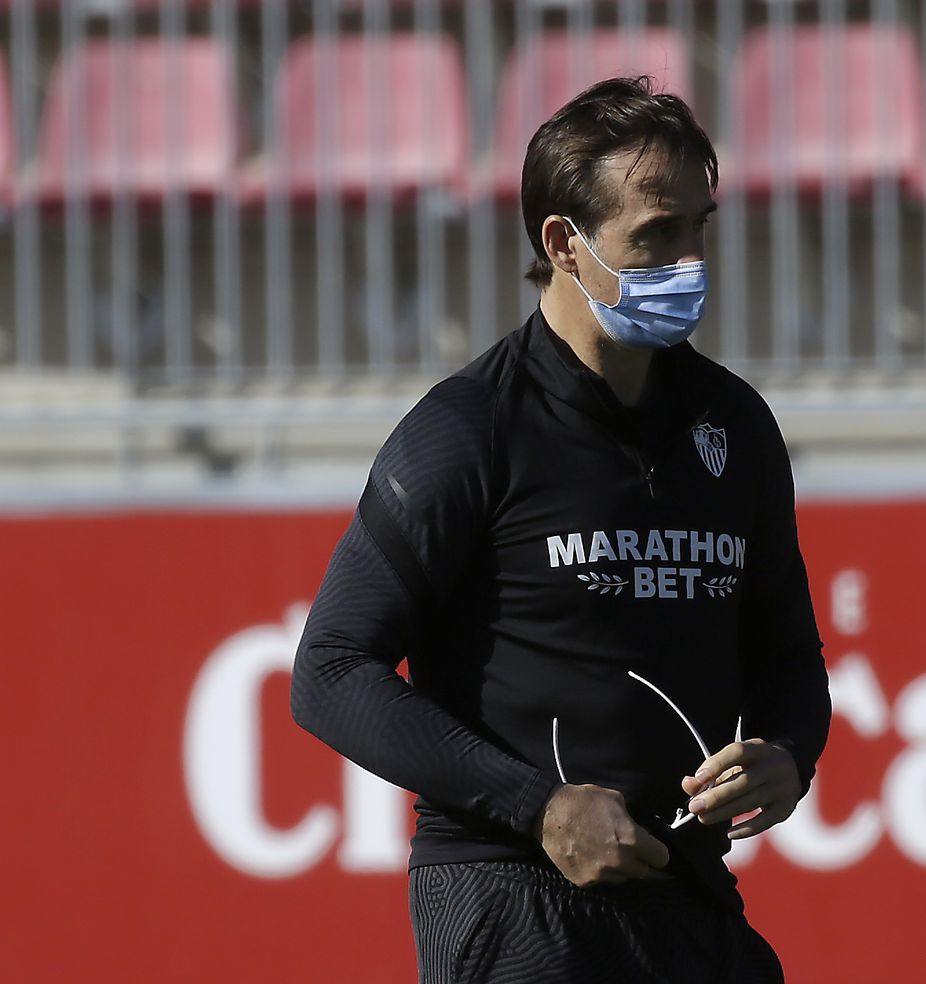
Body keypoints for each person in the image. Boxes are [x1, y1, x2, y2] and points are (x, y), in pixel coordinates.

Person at [290, 76, 831, 983]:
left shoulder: (735, 426)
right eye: (657, 234)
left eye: (700, 226)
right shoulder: (467, 430)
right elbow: (331, 672)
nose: (690, 259)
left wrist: (787, 753)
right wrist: (538, 807)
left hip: (687, 888)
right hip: (513, 895)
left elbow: (789, 656)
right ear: (564, 244)